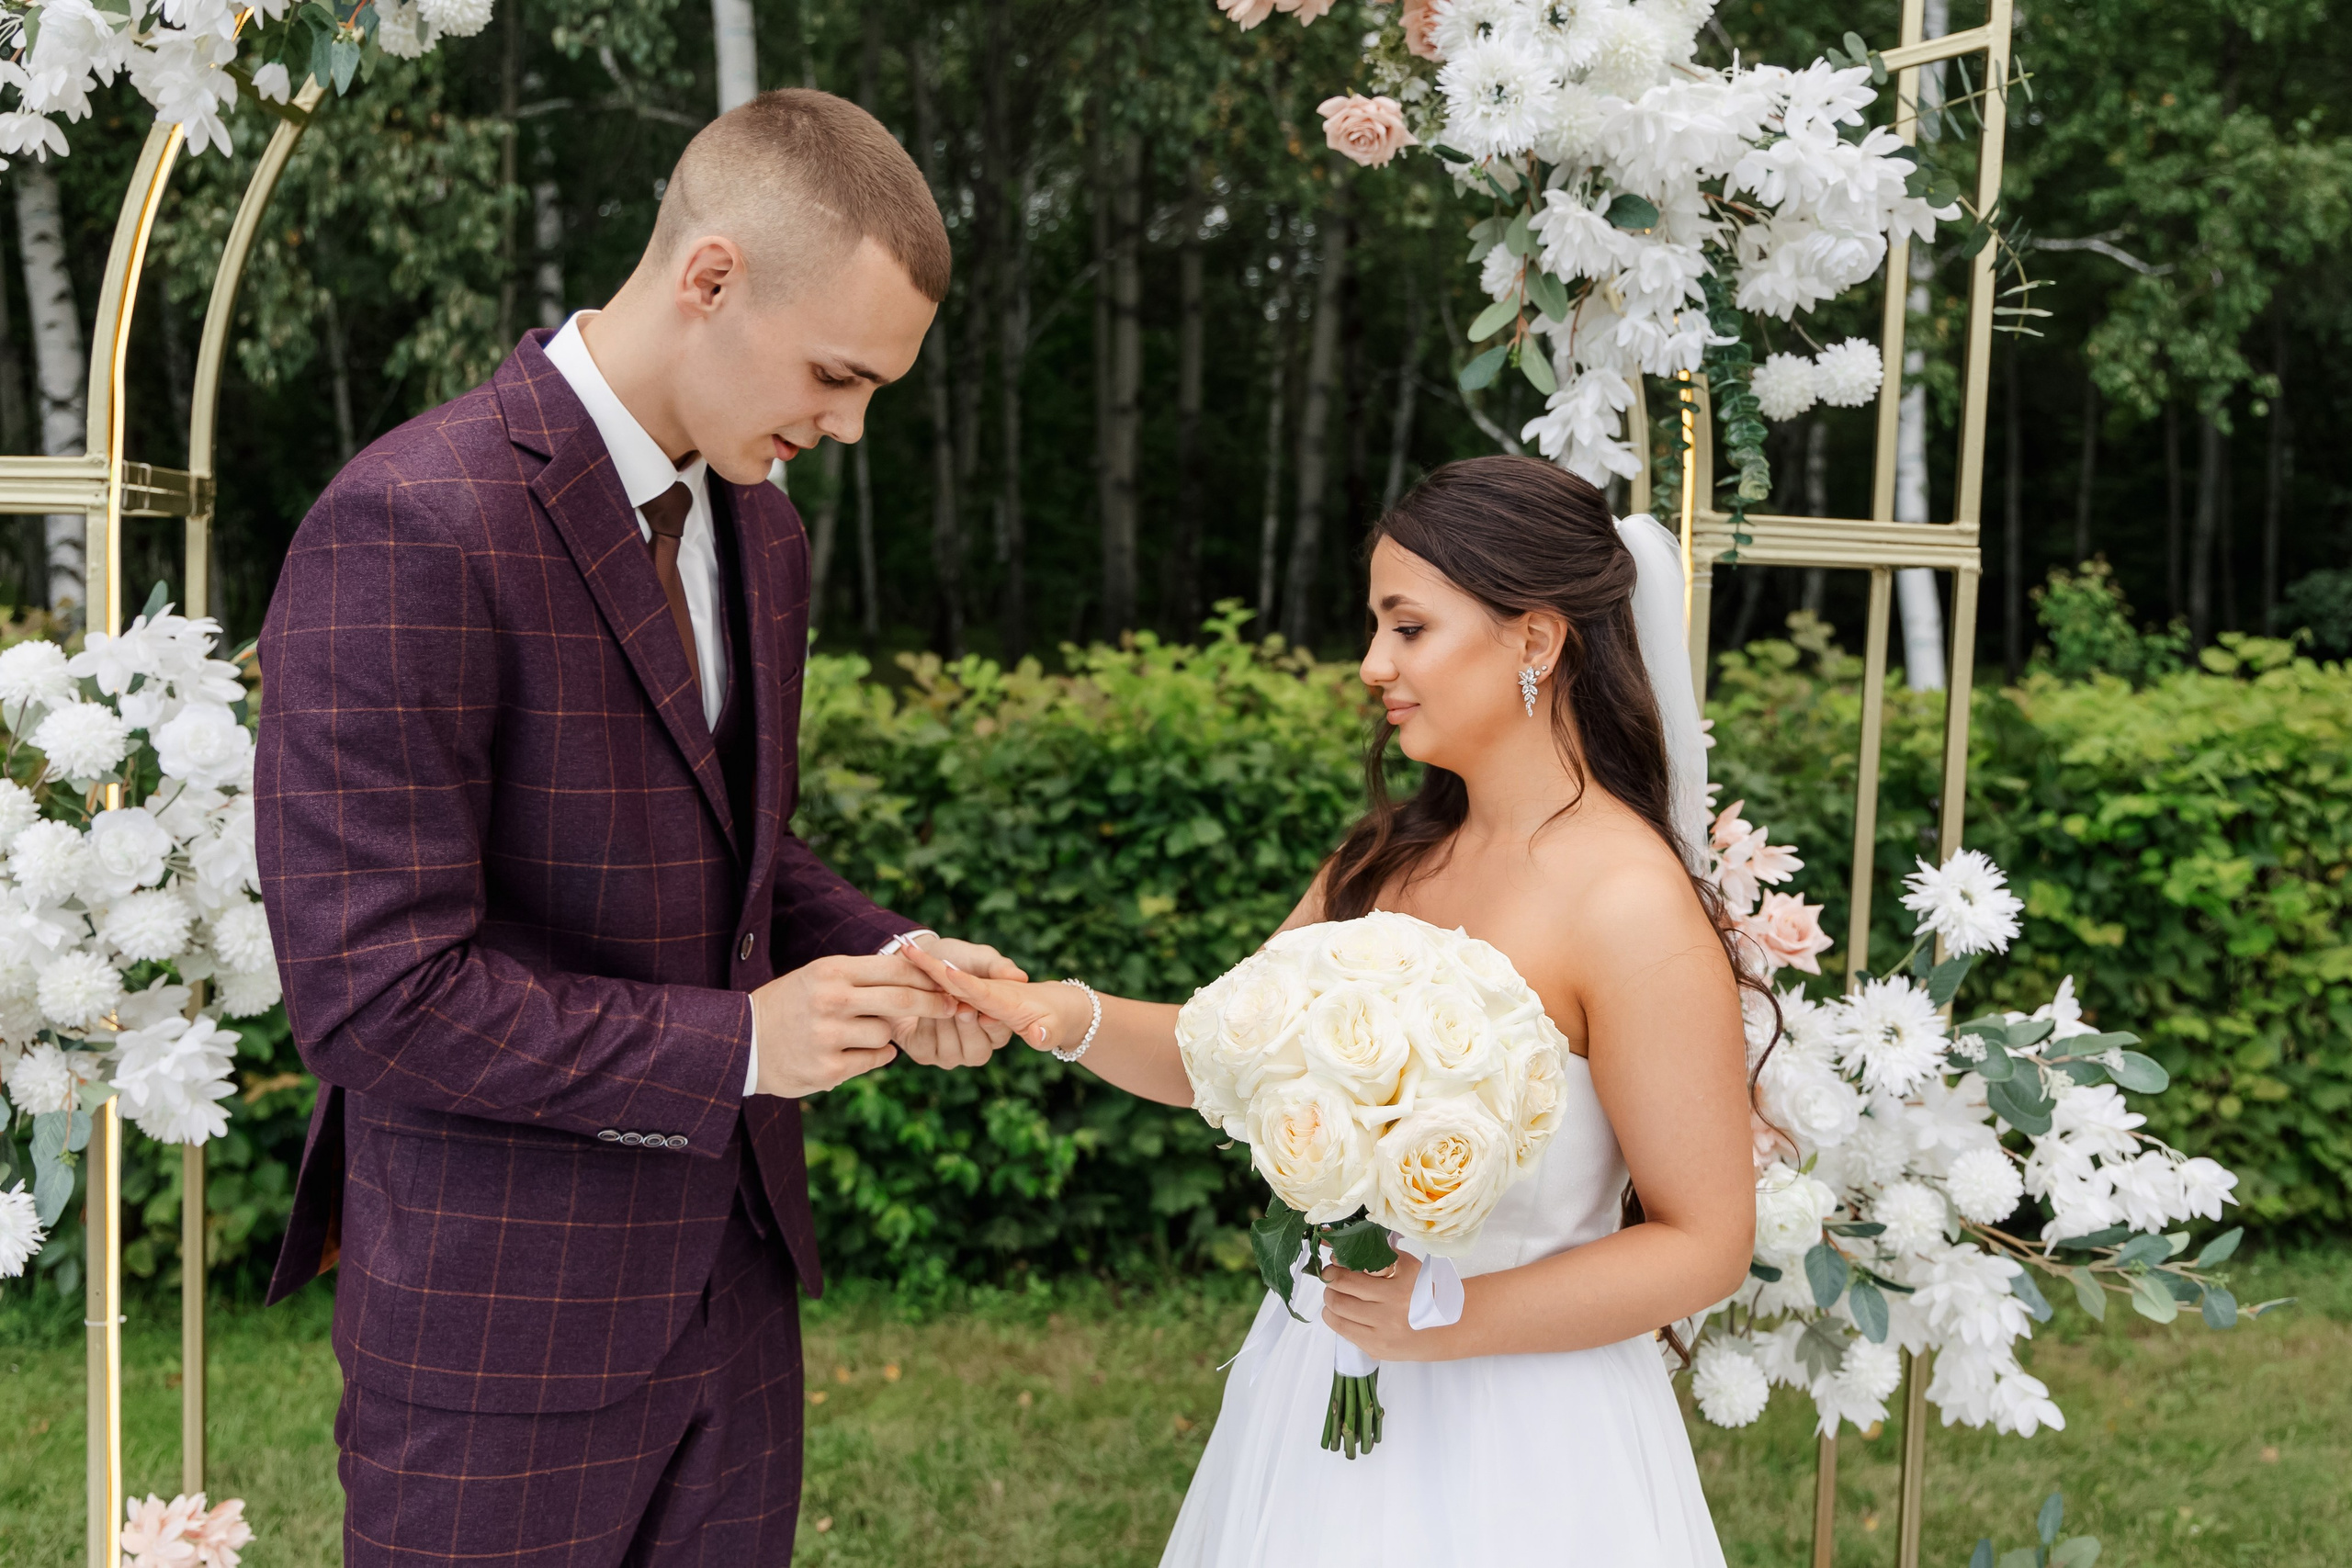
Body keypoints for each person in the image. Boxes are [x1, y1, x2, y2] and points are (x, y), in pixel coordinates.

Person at [255, 90, 1016, 1566]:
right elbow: (372, 993)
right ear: (711, 278)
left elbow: (732, 844)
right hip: (497, 1339)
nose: (849, 425)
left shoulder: (763, 526)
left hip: (737, 1313)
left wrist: (898, 954)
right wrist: (739, 1046)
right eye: (837, 374)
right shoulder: (410, 519)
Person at [902, 456, 1759, 1566]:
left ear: (1536, 641)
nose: (1372, 665)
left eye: (1408, 628)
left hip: (1528, 1433)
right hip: (1323, 1378)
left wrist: (1445, 1317)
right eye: (1375, 627)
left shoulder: (1628, 902)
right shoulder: (1382, 859)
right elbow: (1222, 1055)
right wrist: (1058, 1013)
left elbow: (1704, 1243)